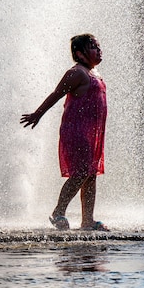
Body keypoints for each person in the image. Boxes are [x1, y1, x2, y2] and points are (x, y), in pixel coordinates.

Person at [21, 34, 109, 231]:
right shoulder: (77, 72)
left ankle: (88, 220)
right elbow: (56, 93)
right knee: (80, 173)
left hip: (93, 133)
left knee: (91, 174)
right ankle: (58, 212)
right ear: (79, 53)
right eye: (93, 47)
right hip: (76, 130)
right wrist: (37, 114)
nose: (99, 50)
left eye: (98, 46)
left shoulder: (94, 73)